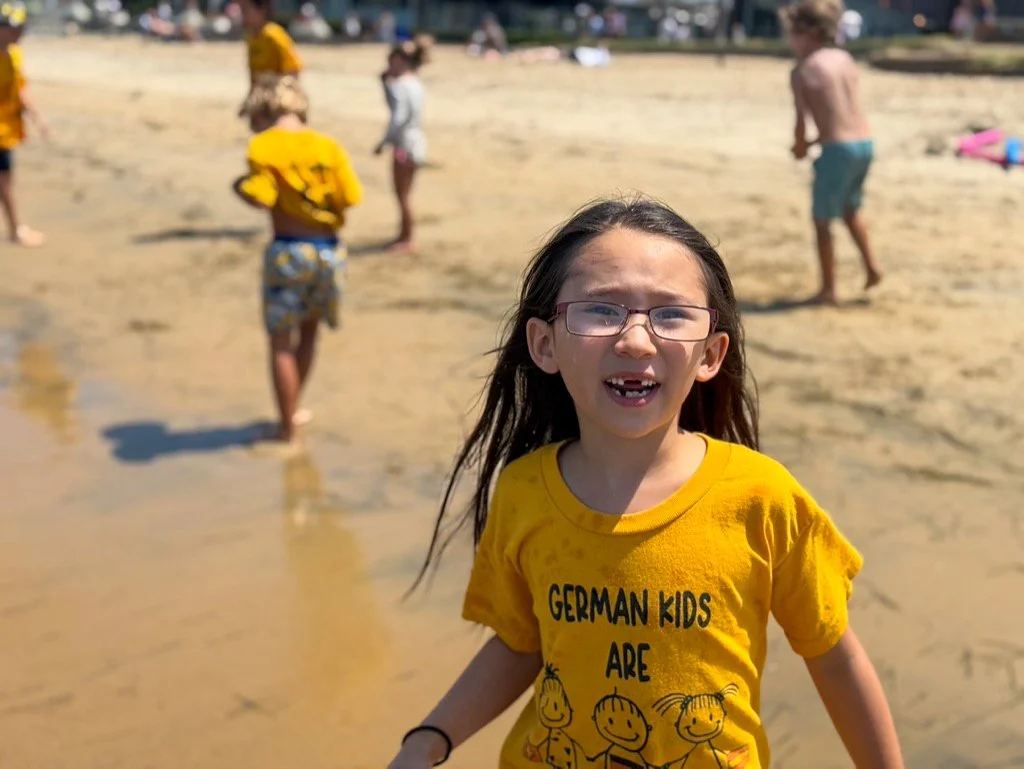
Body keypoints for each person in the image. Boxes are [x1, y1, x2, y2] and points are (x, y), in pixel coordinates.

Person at [386, 197, 905, 769]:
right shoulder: (525, 491)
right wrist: (428, 739)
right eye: (600, 311)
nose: (636, 340)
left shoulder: (761, 499)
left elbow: (832, 657)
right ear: (544, 344)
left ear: (711, 354)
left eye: (671, 314)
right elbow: (519, 643)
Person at [232, 75, 362, 446]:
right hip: (329, 252)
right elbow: (351, 195)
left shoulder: (263, 146)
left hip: (288, 250)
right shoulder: (329, 146)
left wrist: (241, 186)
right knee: (309, 334)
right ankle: (295, 409)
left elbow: (261, 197)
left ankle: (286, 429)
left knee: (280, 344)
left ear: (263, 110)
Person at [781, 0, 882, 305]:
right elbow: (841, 111)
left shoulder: (802, 70)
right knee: (851, 209)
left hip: (836, 150)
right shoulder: (844, 58)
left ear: (805, 33)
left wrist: (800, 148)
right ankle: (872, 266)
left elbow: (803, 121)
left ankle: (828, 290)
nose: (790, 42)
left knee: (822, 220)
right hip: (864, 144)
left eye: (792, 35)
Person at [374, 35, 431, 253]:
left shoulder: (401, 84)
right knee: (405, 194)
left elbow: (398, 116)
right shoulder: (415, 83)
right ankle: (404, 235)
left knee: (402, 194)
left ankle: (407, 238)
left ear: (399, 60)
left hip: (404, 146)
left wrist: (384, 142)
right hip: (416, 142)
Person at [0, 1, 49, 247]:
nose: (19, 33)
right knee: (4, 180)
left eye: (21, 28)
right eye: (14, 28)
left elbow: (20, 91)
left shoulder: (14, 54)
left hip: (5, 131)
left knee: (6, 178)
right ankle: (16, 229)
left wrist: (38, 118)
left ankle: (15, 227)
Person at [238, 0, 302, 114]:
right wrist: (250, 97)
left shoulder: (274, 36)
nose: (243, 15)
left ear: (262, 11)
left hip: (277, 96)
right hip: (261, 96)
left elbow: (293, 68)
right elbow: (253, 73)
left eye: (246, 11)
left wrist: (288, 96)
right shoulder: (251, 38)